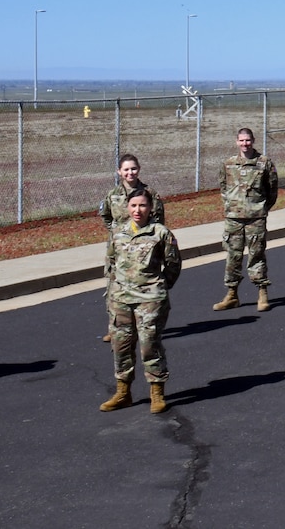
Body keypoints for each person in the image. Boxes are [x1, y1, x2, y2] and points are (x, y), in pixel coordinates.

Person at [99, 188, 182, 414]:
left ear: (150, 208)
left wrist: (158, 287)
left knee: (149, 345)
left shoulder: (161, 233)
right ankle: (123, 392)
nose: (138, 210)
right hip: (121, 299)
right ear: (127, 207)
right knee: (121, 346)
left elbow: (173, 265)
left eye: (142, 205)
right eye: (134, 205)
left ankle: (156, 392)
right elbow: (111, 263)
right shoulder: (118, 233)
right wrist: (115, 291)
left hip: (150, 300)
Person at [98, 154, 164, 343]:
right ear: (119, 172)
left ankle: (145, 323)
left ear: (139, 169)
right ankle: (115, 326)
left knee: (143, 286)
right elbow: (106, 216)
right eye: (126, 169)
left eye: (133, 169)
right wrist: (116, 233)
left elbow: (159, 220)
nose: (130, 173)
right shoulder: (113, 195)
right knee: (113, 286)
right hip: (120, 250)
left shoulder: (149, 193)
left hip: (143, 250)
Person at [213, 128, 279, 312]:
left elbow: (272, 189)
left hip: (255, 218)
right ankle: (232, 294)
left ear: (253, 141)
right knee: (233, 256)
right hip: (233, 218)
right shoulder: (228, 164)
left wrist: (261, 207)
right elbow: (223, 187)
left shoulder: (264, 163)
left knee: (256, 255)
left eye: (248, 140)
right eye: (241, 140)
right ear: (236, 142)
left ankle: (262, 292)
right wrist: (231, 205)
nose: (245, 144)